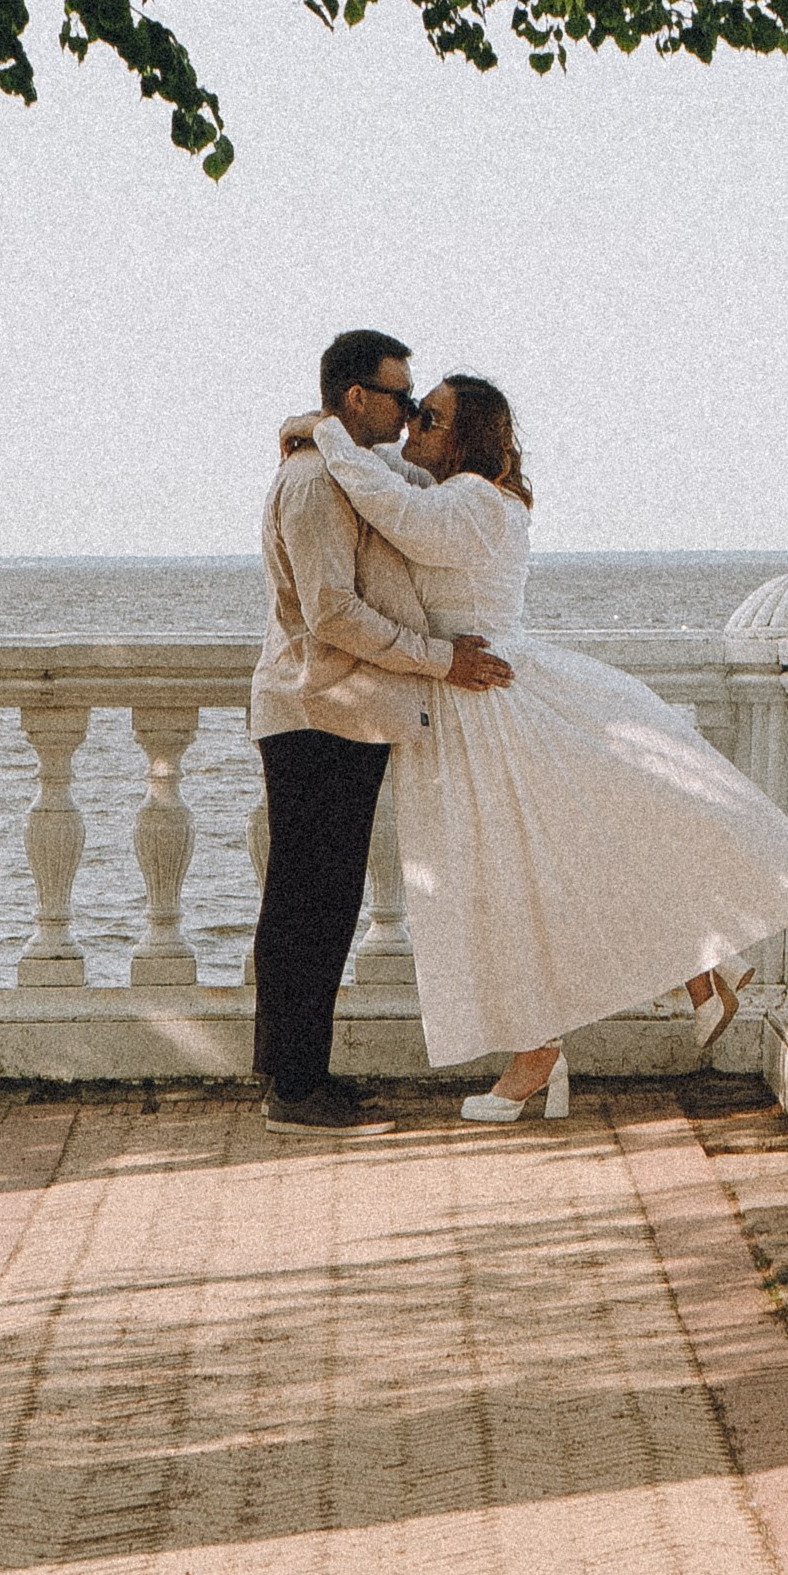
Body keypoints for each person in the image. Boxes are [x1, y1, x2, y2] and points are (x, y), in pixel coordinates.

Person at [281, 374, 788, 1120]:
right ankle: (671, 978)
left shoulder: (470, 499)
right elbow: (393, 487)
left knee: (504, 886)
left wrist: (327, 433)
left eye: (430, 418)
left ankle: (551, 1045)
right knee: (523, 881)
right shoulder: (464, 494)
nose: (413, 427)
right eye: (411, 413)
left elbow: (388, 505)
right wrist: (313, 430)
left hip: (483, 705)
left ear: (467, 436)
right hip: (466, 698)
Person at [248, 330, 514, 1132]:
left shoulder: (349, 469)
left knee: (323, 901)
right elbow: (333, 613)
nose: (407, 413)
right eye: (398, 396)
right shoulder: (314, 485)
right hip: (316, 707)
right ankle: (294, 1088)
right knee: (306, 902)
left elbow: (411, 493)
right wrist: (439, 660)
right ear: (357, 397)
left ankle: (299, 1076)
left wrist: (309, 422)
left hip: (346, 709)